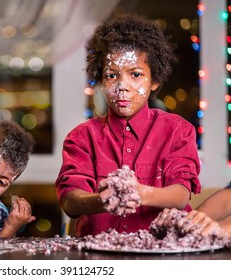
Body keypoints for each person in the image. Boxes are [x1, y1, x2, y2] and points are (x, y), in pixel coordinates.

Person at [55, 14, 201, 237]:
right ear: (102, 82)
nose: (122, 86)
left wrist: (138, 193)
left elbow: (180, 195)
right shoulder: (82, 137)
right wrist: (103, 199)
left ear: (154, 81)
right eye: (112, 75)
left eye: (135, 74)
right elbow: (71, 201)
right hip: (98, 256)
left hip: (163, 252)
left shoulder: (178, 131)